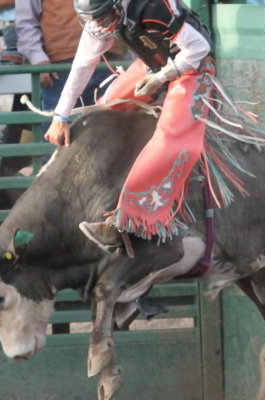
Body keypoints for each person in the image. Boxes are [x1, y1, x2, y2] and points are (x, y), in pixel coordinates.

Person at [45, 0, 214, 249]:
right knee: (103, 111)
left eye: (102, 18)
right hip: (152, 63)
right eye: (92, 19)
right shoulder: (102, 14)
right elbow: (82, 64)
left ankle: (129, 222)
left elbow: (200, 47)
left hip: (191, 68)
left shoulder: (154, 9)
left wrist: (163, 77)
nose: (98, 26)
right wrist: (60, 116)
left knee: (170, 136)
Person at [15, 0, 126, 140]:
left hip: (110, 62)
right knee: (60, 138)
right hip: (61, 66)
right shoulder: (96, 26)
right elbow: (25, 21)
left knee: (113, 135)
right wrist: (38, 58)